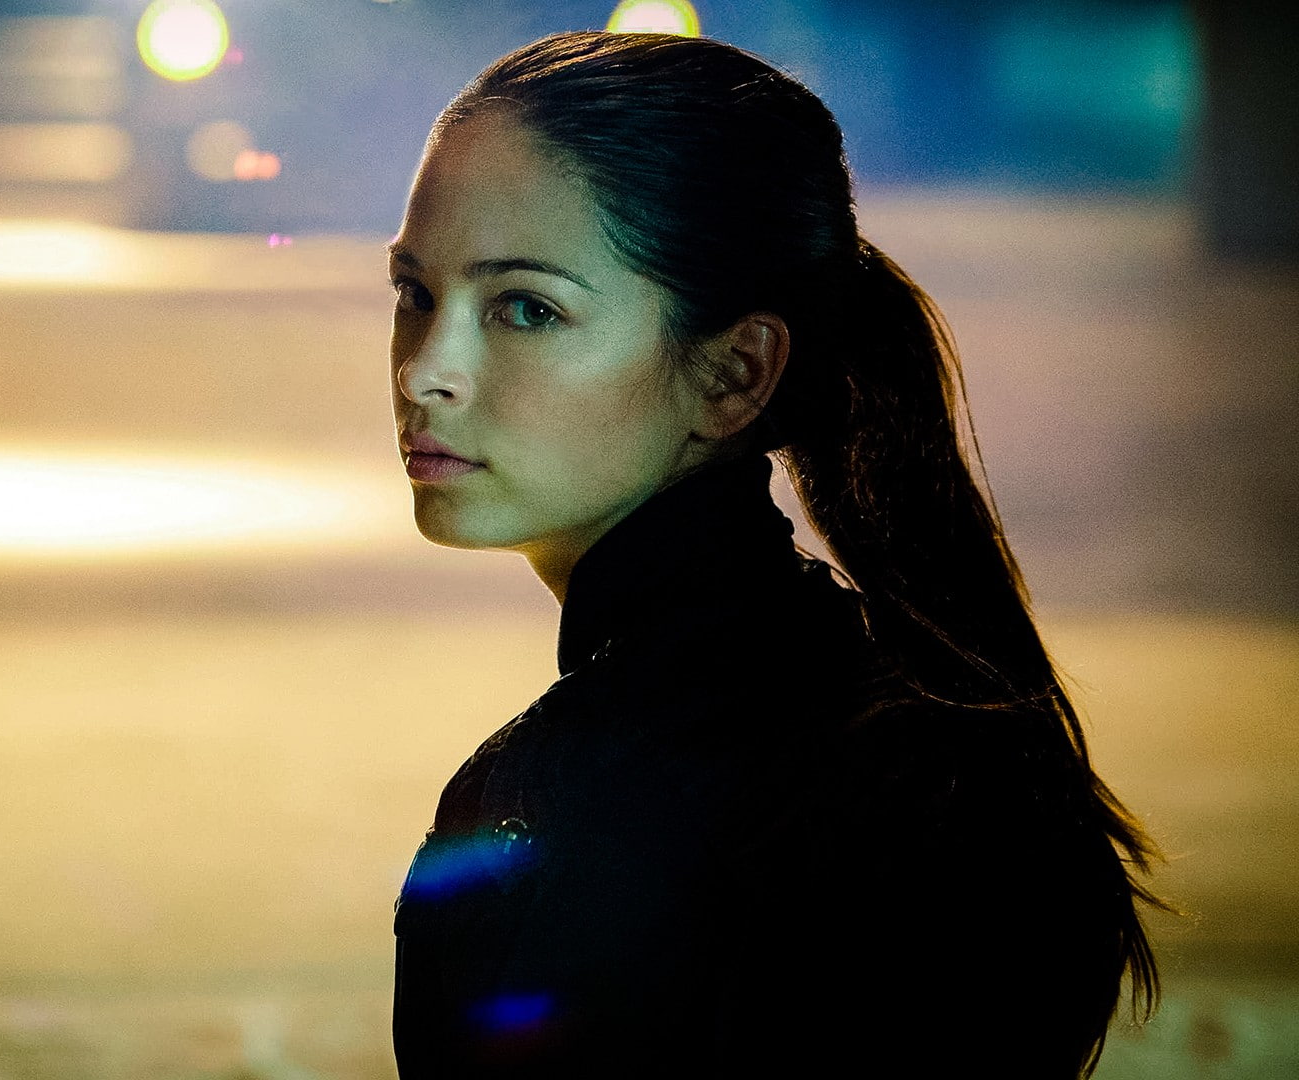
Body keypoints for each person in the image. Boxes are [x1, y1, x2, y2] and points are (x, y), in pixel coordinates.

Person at [386, 31, 1163, 1079]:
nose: (428, 369)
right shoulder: (916, 732)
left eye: (527, 308)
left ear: (734, 373)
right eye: (416, 293)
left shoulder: (582, 797)